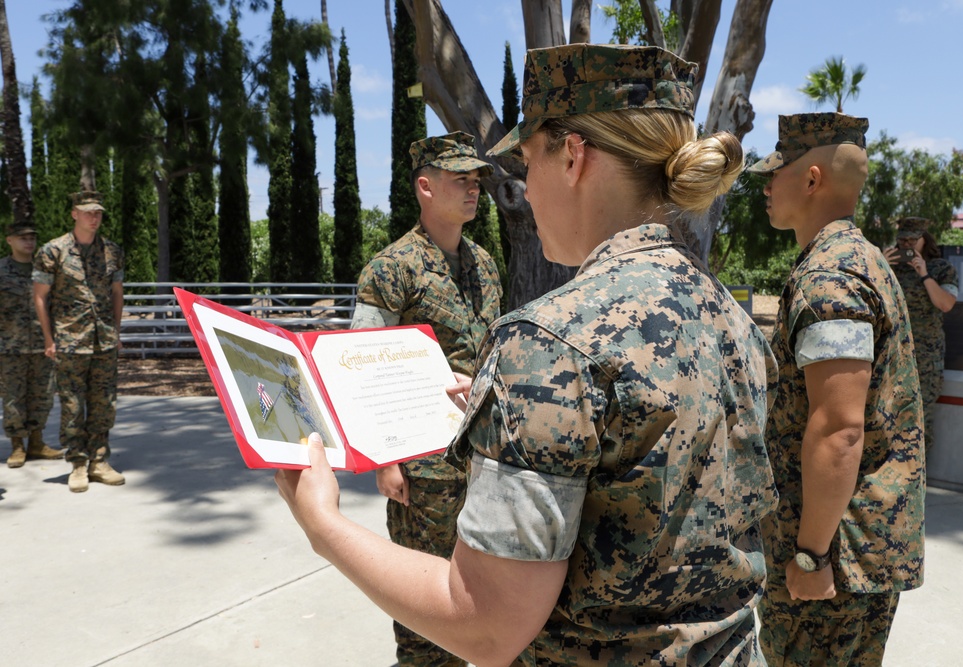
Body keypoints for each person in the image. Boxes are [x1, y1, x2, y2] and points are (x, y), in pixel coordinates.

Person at [277, 43, 778, 666]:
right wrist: (507, 404)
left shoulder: (551, 341)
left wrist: (323, 526)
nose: (522, 189)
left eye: (526, 162)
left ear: (572, 156)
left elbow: (486, 627)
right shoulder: (728, 315)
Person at [748, 113, 925, 666]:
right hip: (857, 548)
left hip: (835, 559)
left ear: (812, 179)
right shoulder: (861, 259)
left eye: (775, 171)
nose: (766, 184)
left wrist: (810, 556)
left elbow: (839, 428)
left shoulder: (831, 278)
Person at [349, 131, 502, 667]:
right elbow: (361, 367)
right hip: (424, 468)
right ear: (425, 187)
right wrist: (385, 460)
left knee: (476, 600)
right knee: (424, 614)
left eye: (476, 179)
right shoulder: (392, 269)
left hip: (483, 461)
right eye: (460, 179)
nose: (473, 188)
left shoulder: (482, 265)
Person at [33, 191, 126, 493]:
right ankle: (77, 464)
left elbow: (116, 293)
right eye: (87, 212)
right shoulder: (53, 251)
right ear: (74, 214)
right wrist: (49, 339)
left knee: (103, 403)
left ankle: (99, 461)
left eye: (98, 212)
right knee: (73, 405)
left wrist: (116, 332)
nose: (94, 217)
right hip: (70, 340)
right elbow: (40, 297)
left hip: (104, 340)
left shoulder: (112, 251)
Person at [884, 217, 958, 452]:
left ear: (924, 241)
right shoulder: (889, 268)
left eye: (912, 240)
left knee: (919, 419)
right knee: (886, 418)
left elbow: (946, 304)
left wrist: (924, 274)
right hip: (891, 355)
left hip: (925, 357)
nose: (906, 245)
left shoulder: (941, 268)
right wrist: (880, 268)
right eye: (902, 240)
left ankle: (917, 480)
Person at [1, 222, 62, 468]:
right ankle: (17, 446)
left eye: (32, 237)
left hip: (42, 345)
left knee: (43, 395)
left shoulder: (45, 269)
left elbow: (57, 304)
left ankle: (36, 442)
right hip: (10, 346)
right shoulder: (1, 270)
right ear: (9, 240)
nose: (28, 242)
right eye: (22, 237)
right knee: (13, 397)